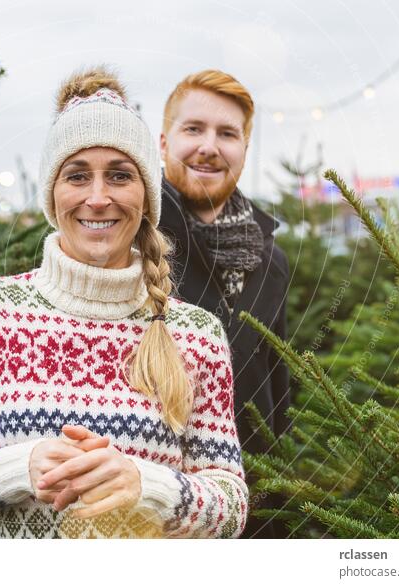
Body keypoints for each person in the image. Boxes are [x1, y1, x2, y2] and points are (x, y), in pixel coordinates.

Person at [0, 67, 248, 538]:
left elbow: (230, 504)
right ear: (53, 192)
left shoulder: (196, 334)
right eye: (77, 176)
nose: (97, 197)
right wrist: (19, 468)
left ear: (146, 195)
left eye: (119, 176)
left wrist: (147, 484)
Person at [157, 70, 290, 538]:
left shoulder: (270, 259)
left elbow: (278, 388)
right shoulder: (134, 244)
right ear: (163, 141)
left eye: (227, 133)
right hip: (153, 505)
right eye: (193, 129)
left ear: (244, 149)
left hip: (254, 508)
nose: (209, 146)